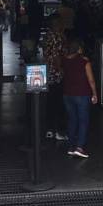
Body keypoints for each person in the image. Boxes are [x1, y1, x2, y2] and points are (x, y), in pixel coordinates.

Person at [62, 37, 98, 158]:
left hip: (67, 94)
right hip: (82, 94)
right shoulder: (84, 62)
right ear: (79, 49)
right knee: (83, 120)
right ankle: (80, 147)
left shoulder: (65, 60)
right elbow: (91, 80)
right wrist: (94, 93)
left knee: (72, 120)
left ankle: (71, 146)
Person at [40, 13, 68, 141]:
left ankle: (49, 129)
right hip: (57, 73)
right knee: (59, 102)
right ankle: (59, 130)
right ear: (57, 24)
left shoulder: (47, 36)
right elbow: (57, 56)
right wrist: (61, 69)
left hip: (48, 72)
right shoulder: (57, 37)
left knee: (50, 102)